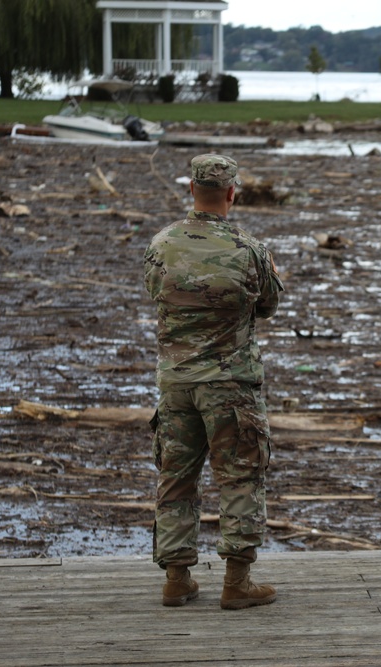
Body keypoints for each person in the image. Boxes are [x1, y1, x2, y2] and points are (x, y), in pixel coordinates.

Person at [144, 154, 284, 610]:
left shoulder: (162, 244)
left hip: (176, 384)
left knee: (176, 478)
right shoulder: (249, 248)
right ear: (231, 193)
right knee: (241, 477)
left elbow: (154, 293)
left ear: (191, 189)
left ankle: (177, 577)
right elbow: (268, 306)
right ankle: (237, 580)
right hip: (230, 385)